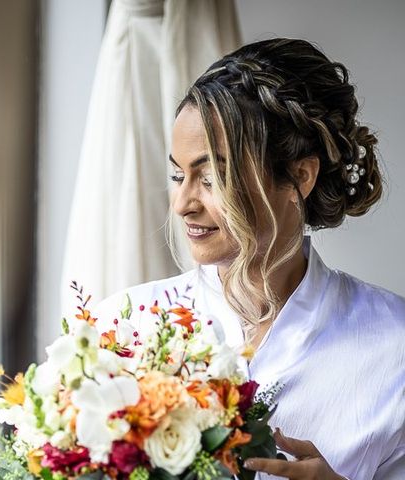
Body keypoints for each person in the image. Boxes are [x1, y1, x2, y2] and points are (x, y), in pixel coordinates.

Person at [91, 38, 404, 480]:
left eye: (213, 177)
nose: (182, 203)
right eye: (179, 175)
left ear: (300, 176)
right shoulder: (120, 328)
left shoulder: (396, 348)